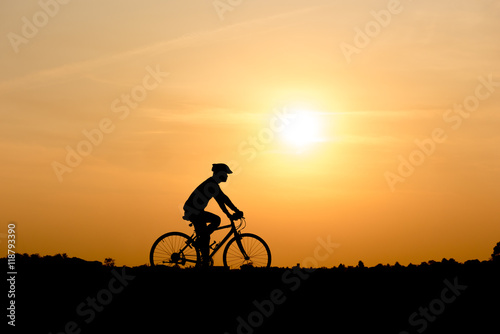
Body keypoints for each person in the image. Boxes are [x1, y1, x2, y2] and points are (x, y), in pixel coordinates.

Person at [183, 163, 243, 267]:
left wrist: (231, 213)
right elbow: (223, 200)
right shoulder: (212, 185)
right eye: (225, 174)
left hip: (195, 211)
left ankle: (204, 259)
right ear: (219, 174)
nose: (227, 176)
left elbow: (222, 201)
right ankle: (201, 245)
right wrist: (234, 212)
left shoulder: (212, 184)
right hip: (194, 212)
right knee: (215, 222)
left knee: (206, 236)